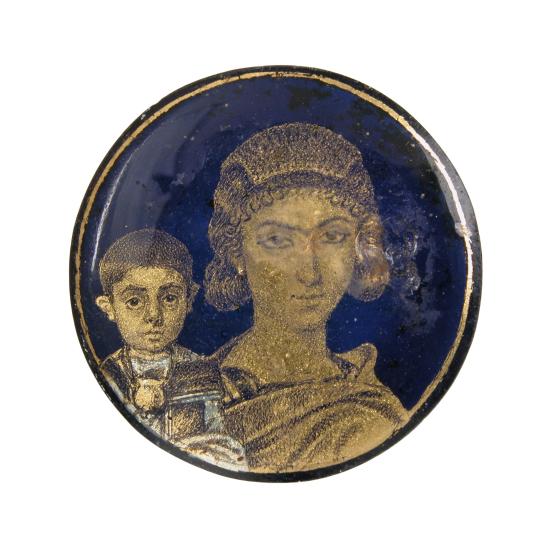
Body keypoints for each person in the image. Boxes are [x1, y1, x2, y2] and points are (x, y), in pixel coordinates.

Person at [203, 123, 407, 473]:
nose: (310, 273)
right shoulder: (194, 385)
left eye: (332, 236)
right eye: (277, 241)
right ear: (236, 252)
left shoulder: (370, 413)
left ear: (360, 246)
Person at [96, 229, 247, 470]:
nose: (153, 315)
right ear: (109, 307)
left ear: (189, 299)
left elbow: (222, 443)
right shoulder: (108, 376)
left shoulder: (202, 372)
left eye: (169, 298)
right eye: (134, 301)